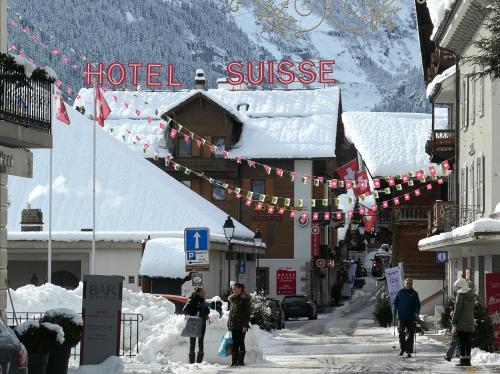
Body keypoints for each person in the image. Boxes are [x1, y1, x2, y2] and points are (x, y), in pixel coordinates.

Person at [393, 278, 421, 358]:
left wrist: (416, 312)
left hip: (411, 317)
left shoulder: (414, 293)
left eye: (410, 284)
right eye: (407, 283)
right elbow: (396, 303)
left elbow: (417, 305)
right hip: (401, 317)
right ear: (405, 284)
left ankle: (408, 351)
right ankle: (402, 349)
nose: (409, 285)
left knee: (411, 334)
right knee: (401, 333)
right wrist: (395, 310)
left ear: (412, 284)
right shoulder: (400, 292)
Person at [183, 287, 210, 364]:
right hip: (194, 323)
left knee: (201, 341)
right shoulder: (192, 300)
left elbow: (207, 310)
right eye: (202, 292)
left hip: (202, 323)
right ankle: (192, 362)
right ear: (198, 292)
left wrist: (205, 310)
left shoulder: (203, 301)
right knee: (193, 342)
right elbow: (185, 310)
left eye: (204, 292)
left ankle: (199, 362)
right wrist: (196, 310)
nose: (204, 294)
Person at [451, 278, 475, 367]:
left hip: (461, 322)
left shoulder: (460, 294)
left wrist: (454, 321)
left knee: (462, 342)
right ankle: (468, 361)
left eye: (456, 287)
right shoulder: (471, 294)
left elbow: (457, 309)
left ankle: (462, 360)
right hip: (470, 321)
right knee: (468, 342)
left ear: (459, 286)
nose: (456, 288)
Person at [227, 282, 252, 366]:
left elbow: (247, 314)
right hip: (234, 324)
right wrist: (229, 324)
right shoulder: (233, 299)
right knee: (234, 343)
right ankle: (234, 361)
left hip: (241, 325)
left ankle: (240, 361)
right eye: (233, 289)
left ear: (240, 288)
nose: (233, 290)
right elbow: (231, 313)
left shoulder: (245, 299)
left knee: (241, 342)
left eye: (235, 289)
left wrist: (245, 325)